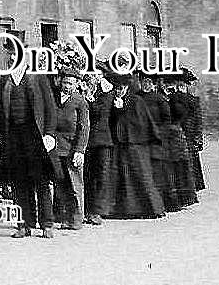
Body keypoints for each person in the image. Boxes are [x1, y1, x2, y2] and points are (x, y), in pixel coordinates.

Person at [0, 41, 59, 238]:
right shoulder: (1, 80)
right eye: (10, 54)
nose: (13, 58)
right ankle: (23, 224)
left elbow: (51, 109)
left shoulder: (38, 78)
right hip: (13, 138)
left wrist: (50, 134)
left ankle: (47, 224)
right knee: (19, 182)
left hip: (35, 137)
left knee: (41, 181)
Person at [107, 72, 165, 219]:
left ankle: (153, 208)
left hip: (136, 144)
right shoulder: (114, 99)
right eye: (116, 88)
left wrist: (122, 109)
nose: (118, 91)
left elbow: (139, 123)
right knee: (124, 176)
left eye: (121, 88)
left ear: (127, 87)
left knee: (142, 174)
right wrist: (117, 109)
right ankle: (128, 209)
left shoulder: (136, 100)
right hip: (121, 144)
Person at [50, 68, 90, 230]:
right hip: (56, 148)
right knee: (60, 184)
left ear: (77, 84)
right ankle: (64, 216)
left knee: (75, 184)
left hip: (72, 149)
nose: (68, 86)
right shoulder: (53, 98)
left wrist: (80, 150)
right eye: (66, 82)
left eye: (71, 83)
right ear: (60, 82)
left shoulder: (80, 101)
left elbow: (84, 127)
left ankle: (77, 217)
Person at [136, 71, 177, 212]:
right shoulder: (137, 98)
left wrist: (159, 134)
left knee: (160, 172)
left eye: (148, 82)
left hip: (157, 140)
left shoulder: (160, 99)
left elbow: (167, 120)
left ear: (153, 84)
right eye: (143, 82)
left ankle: (166, 202)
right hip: (142, 139)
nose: (145, 85)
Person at [83, 68, 116, 225]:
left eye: (97, 74)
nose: (93, 77)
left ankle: (97, 211)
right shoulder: (89, 89)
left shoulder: (107, 91)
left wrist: (88, 96)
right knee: (87, 176)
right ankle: (86, 210)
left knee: (100, 176)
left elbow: (98, 112)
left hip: (101, 140)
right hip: (87, 140)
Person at [164, 73, 199, 208]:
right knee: (182, 166)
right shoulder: (172, 97)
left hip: (180, 133)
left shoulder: (180, 98)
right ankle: (185, 195)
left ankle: (185, 195)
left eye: (181, 85)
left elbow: (190, 116)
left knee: (183, 165)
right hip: (177, 134)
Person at [178, 67, 206, 191]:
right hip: (181, 131)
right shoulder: (175, 98)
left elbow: (198, 120)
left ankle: (194, 184)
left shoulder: (193, 100)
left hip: (189, 132)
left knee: (191, 159)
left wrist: (198, 137)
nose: (183, 85)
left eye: (184, 83)